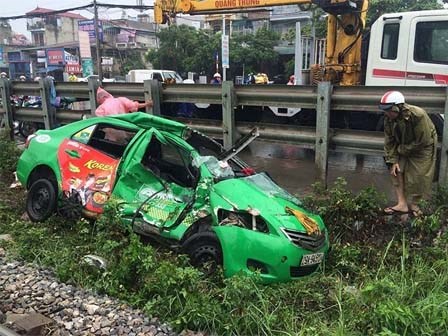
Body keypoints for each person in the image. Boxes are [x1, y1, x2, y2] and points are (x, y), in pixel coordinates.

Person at [380, 90, 437, 217]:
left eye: (389, 109)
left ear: (398, 107)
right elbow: (389, 141)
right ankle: (402, 204)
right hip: (403, 144)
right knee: (396, 170)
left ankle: (415, 205)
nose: (386, 113)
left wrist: (402, 150)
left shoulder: (418, 115)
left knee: (419, 175)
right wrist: (393, 160)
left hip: (422, 146)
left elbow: (423, 140)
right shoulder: (388, 119)